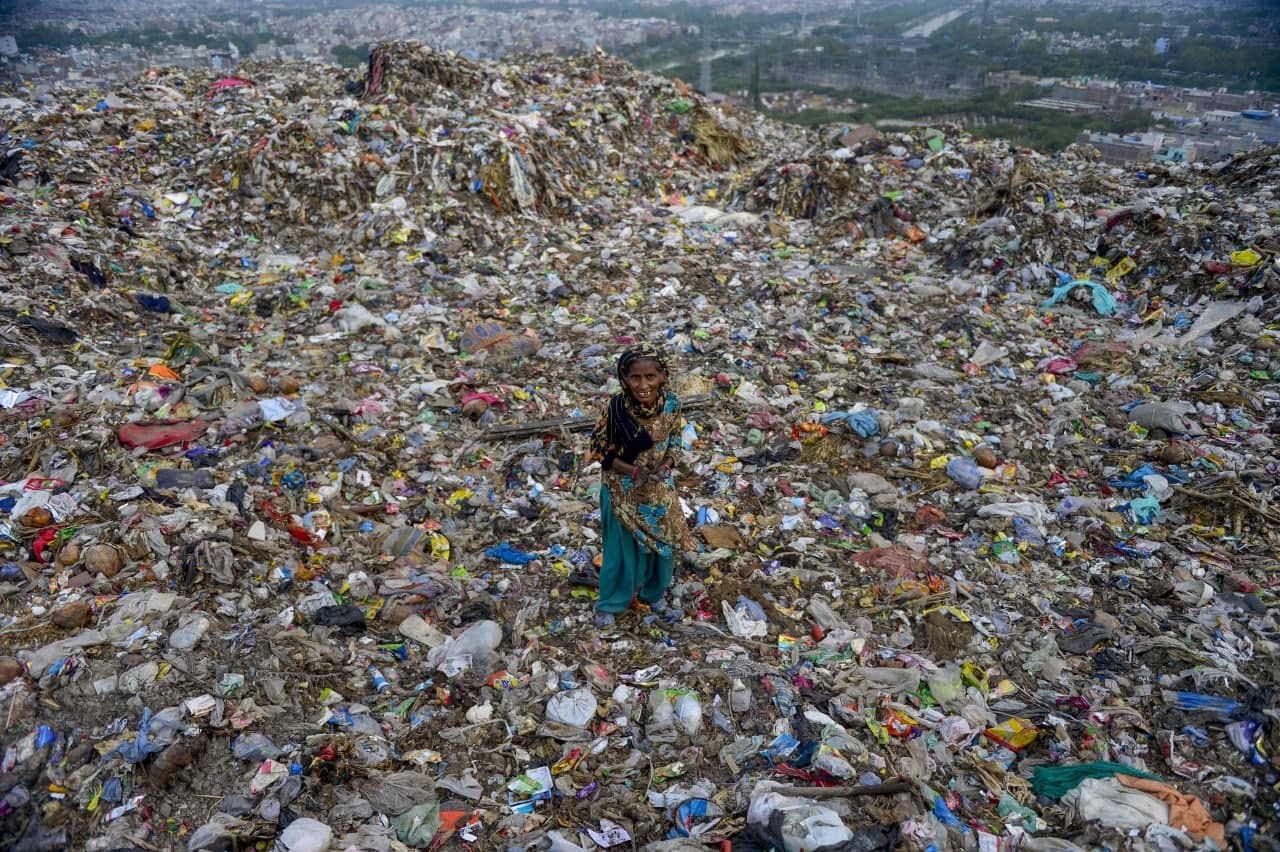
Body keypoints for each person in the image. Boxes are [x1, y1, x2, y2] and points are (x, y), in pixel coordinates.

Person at [589, 345, 693, 627]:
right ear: (624, 378)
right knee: (621, 552)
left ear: (663, 376)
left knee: (665, 545)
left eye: (650, 377)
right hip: (621, 490)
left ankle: (653, 594)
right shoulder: (615, 408)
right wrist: (633, 471)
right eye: (635, 377)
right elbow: (599, 451)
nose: (643, 385)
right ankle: (610, 604)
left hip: (659, 487)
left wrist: (667, 464)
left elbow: (675, 439)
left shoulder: (671, 404)